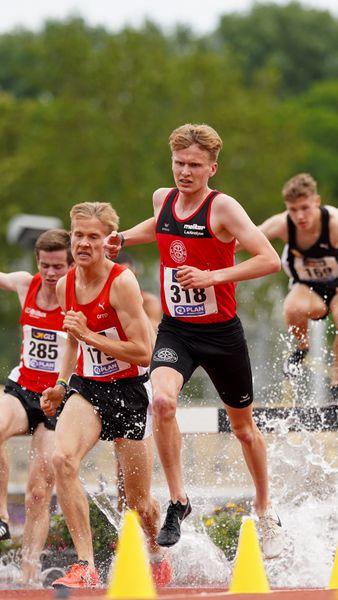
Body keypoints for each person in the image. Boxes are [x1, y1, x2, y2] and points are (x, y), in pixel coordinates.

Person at [104, 123, 285, 559]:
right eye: (179, 163)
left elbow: (270, 259)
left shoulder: (223, 209)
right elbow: (161, 227)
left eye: (194, 166)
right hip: (177, 330)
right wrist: (126, 236)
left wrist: (213, 275)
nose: (185, 172)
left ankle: (264, 511)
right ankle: (179, 500)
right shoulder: (161, 198)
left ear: (212, 168)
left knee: (243, 429)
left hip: (221, 334)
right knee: (162, 402)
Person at [40, 202, 171, 589]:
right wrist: (61, 385)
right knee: (62, 459)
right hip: (89, 386)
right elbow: (71, 341)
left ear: (107, 241)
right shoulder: (66, 284)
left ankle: (156, 552)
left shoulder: (121, 283)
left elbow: (143, 351)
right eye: (77, 235)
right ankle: (85, 564)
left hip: (131, 390)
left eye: (92, 237)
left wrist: (90, 336)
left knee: (138, 505)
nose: (82, 243)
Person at [0, 229, 73, 584]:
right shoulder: (24, 284)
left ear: (70, 266)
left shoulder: (77, 296)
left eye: (58, 266)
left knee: (38, 490)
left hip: (57, 399)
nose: (50, 273)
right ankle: (0, 515)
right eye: (45, 265)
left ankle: (29, 574)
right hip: (23, 388)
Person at [252, 173, 338, 401]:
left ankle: (336, 381)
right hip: (307, 286)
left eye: (305, 208)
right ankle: (302, 349)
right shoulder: (282, 224)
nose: (299, 216)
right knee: (291, 308)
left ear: (316, 202)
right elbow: (246, 237)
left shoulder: (334, 224)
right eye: (293, 209)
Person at [114, 251, 162, 512]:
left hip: (144, 381)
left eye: (128, 274)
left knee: (136, 457)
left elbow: (151, 342)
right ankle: (125, 514)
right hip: (118, 380)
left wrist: (133, 306)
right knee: (120, 460)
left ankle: (143, 509)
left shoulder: (149, 302)